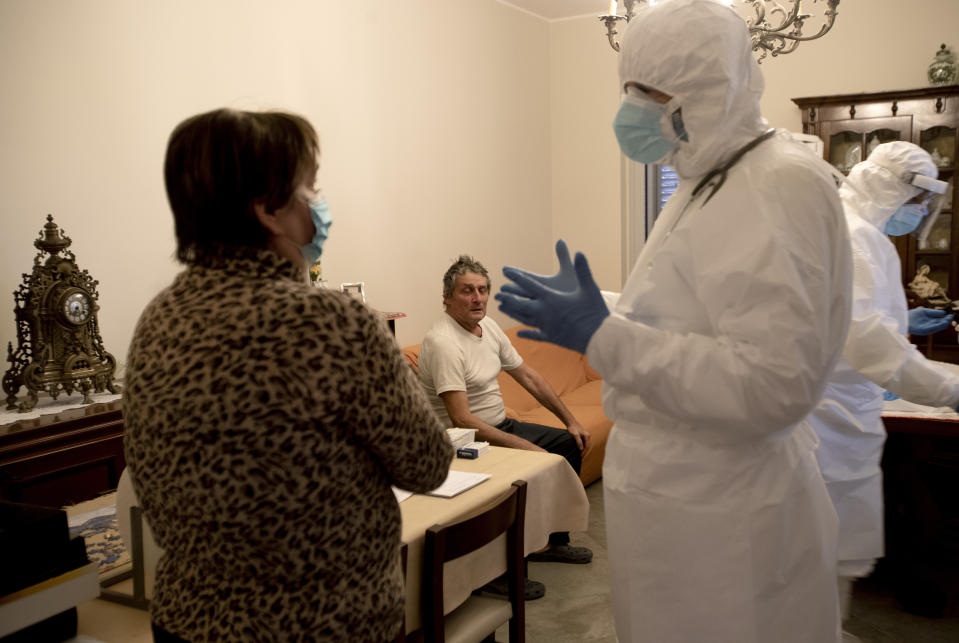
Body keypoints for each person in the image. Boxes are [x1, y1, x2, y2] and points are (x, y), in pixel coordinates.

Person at [495, 1, 853, 641]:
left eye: (645, 91)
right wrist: (599, 314)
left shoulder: (780, 184)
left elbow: (773, 383)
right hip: (675, 508)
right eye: (626, 89)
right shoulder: (702, 182)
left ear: (706, 89)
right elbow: (688, 317)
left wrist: (602, 334)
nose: (629, 110)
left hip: (726, 520)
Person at [123, 108, 452, 642]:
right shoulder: (329, 323)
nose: (317, 205)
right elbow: (429, 463)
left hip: (186, 620)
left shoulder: (158, 318)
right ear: (268, 211)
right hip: (320, 625)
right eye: (310, 188)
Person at [804, 141, 957, 629]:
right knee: (820, 564)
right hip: (831, 424)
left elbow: (852, 321)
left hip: (838, 416)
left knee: (826, 562)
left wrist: (900, 318)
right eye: (918, 202)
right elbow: (871, 347)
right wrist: (951, 392)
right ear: (890, 189)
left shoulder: (855, 230)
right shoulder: (855, 236)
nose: (921, 213)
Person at [417, 255, 594, 581]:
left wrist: (570, 420)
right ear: (447, 297)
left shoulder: (490, 327)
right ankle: (506, 576)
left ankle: (553, 542)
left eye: (482, 290)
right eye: (467, 291)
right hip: (461, 443)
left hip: (498, 426)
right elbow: (461, 420)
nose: (477, 298)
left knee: (567, 443)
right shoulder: (443, 342)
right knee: (528, 470)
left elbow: (529, 377)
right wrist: (524, 447)